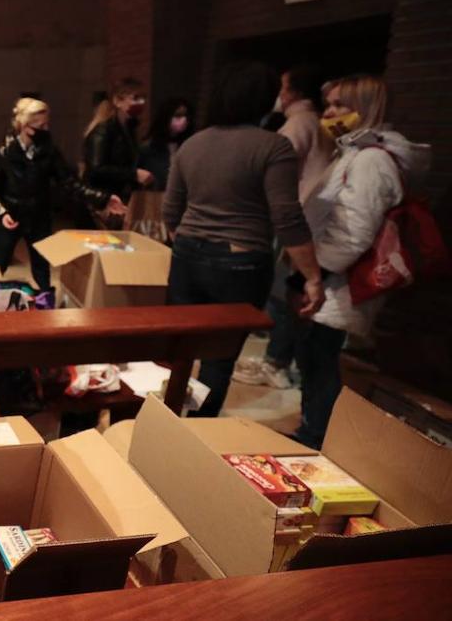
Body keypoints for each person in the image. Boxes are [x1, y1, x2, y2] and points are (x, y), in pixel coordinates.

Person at [163, 62, 325, 418]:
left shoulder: (193, 143)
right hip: (240, 262)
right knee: (218, 359)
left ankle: (161, 423)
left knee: (176, 349)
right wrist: (312, 276)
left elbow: (170, 211)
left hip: (187, 255)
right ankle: (196, 431)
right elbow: (286, 216)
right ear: (264, 100)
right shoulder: (273, 146)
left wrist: (192, 240)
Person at [292, 75, 430, 448]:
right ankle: (315, 433)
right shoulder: (354, 153)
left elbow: (354, 229)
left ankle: (317, 439)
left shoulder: (370, 160)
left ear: (367, 108)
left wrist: (314, 270)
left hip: (343, 280)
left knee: (322, 360)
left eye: (342, 105)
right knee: (315, 358)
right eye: (330, 104)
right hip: (335, 276)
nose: (331, 112)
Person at [237, 66, 336, 389]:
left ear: (291, 91)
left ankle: (276, 361)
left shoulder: (297, 125)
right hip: (309, 215)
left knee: (284, 294)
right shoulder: (317, 123)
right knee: (293, 293)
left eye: (282, 87)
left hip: (294, 217)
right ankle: (281, 356)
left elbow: (274, 176)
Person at [0, 98, 125, 289]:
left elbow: (69, 183)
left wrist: (103, 198)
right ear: (25, 125)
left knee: (42, 268)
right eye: (40, 125)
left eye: (47, 124)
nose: (45, 129)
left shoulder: (49, 151)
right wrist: (2, 213)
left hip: (38, 216)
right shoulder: (5, 151)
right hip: (11, 215)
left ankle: (44, 304)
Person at [82, 78, 152, 210]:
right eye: (135, 98)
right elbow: (96, 169)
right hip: (101, 200)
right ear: (117, 101)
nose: (141, 103)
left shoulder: (129, 129)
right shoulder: (104, 130)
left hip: (117, 198)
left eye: (143, 98)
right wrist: (134, 174)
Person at [137, 97, 194, 191]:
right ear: (166, 117)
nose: (184, 120)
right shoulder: (148, 148)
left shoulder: (189, 146)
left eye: (186, 116)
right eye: (178, 115)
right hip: (155, 197)